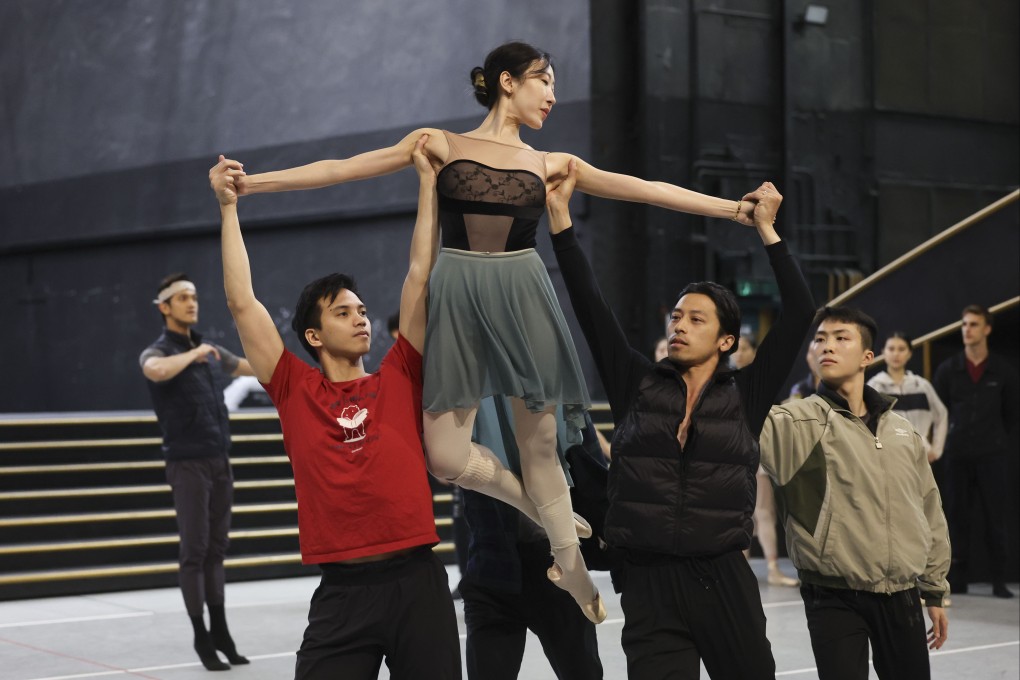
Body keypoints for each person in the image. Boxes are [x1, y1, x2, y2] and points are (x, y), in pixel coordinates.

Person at [230, 41, 766, 622]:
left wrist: (732, 210)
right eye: (545, 81)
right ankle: (541, 510)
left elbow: (646, 188)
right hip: (457, 293)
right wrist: (253, 185)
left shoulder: (550, 163)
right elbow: (339, 169)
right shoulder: (439, 143)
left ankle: (574, 567)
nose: (553, 95)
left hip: (524, 290)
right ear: (507, 81)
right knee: (445, 456)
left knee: (539, 444)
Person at [547, 163, 814, 678]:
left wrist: (767, 229)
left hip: (722, 577)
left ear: (727, 341)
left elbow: (801, 310)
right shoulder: (636, 383)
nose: (679, 326)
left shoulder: (746, 394)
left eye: (696, 319)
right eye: (675, 317)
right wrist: (560, 220)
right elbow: (589, 306)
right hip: (647, 582)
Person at [208, 137, 461, 679]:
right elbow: (241, 302)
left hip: (418, 583)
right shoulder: (293, 388)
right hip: (343, 594)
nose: (361, 317)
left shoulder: (400, 374)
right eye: (343, 312)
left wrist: (426, 182)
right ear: (314, 335)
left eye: (363, 310)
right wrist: (229, 209)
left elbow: (420, 272)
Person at [760, 306, 950, 680]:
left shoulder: (902, 431)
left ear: (867, 357)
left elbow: (929, 509)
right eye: (819, 340)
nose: (826, 346)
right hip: (832, 596)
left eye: (840, 338)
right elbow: (738, 417)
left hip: (902, 593)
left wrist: (934, 590)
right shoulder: (793, 422)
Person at [140, 273, 254, 670]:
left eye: (194, 296)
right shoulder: (159, 351)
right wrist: (195, 354)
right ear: (164, 307)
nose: (192, 303)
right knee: (195, 550)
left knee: (217, 550)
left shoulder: (209, 350)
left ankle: (220, 629)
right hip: (186, 462)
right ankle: (201, 636)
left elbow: (247, 366)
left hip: (219, 457)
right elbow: (154, 370)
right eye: (182, 298)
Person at [458, 397, 605, 680]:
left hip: (557, 567)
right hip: (492, 565)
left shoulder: (556, 395)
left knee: (582, 672)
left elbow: (593, 476)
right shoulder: (468, 400)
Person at [933, 305, 1019, 599]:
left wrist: (995, 439)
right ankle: (958, 578)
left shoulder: (1003, 370)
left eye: (973, 324)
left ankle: (998, 579)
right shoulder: (948, 369)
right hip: (957, 454)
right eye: (964, 324)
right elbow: (940, 412)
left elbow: (1011, 414)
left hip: (992, 454)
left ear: (987, 329)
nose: (967, 330)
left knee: (996, 517)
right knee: (956, 517)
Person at [731, 334, 799, 588]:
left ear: (754, 351)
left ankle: (772, 568)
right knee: (739, 514)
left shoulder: (763, 381)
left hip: (757, 452)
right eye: (736, 349)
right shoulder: (725, 381)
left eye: (745, 348)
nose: (738, 354)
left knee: (763, 511)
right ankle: (740, 569)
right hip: (731, 456)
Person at [868, 332, 948, 464]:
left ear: (910, 353)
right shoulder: (875, 387)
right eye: (891, 349)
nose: (896, 354)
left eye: (901, 349)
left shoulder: (921, 386)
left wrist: (936, 450)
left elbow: (941, 415)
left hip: (921, 455)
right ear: (883, 352)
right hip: (888, 456)